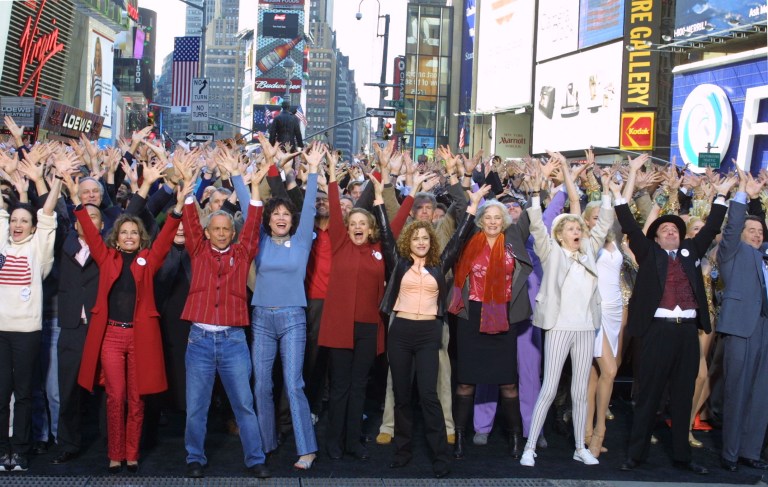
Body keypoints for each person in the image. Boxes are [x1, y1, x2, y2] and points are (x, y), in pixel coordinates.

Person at [617, 156, 736, 475]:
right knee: (648, 396)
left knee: (683, 396)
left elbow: (711, 227)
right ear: (655, 237)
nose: (670, 233)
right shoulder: (647, 252)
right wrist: (626, 182)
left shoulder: (690, 251)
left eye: (674, 230)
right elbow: (628, 223)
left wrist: (721, 197)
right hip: (657, 330)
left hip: (687, 333)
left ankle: (683, 457)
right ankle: (636, 455)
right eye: (665, 230)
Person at [71, 162, 183, 474]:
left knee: (137, 400)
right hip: (111, 336)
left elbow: (164, 241)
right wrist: (75, 197)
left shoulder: (148, 259)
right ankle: (114, 454)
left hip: (140, 337)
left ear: (140, 237)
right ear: (117, 238)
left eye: (135, 232)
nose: (130, 236)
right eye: (125, 232)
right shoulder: (106, 256)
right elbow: (91, 233)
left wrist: (177, 210)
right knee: (115, 398)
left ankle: (131, 455)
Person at [379, 175, 488, 478]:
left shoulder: (440, 264)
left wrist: (472, 207)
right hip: (400, 332)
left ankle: (441, 456)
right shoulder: (398, 262)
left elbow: (459, 237)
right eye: (416, 238)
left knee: (429, 395)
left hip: (429, 333)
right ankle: (402, 452)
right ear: (409, 241)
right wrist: (378, 201)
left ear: (431, 241)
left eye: (425, 238)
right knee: (402, 394)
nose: (421, 242)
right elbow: (386, 235)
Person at [174, 153, 271, 479]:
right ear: (208, 231)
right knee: (196, 408)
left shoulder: (243, 253)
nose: (220, 233)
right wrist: (188, 182)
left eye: (225, 228)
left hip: (232, 340)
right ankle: (194, 458)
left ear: (232, 231)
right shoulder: (198, 249)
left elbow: (255, 223)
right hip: (199, 339)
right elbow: (188, 216)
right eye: (214, 228)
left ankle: (255, 459)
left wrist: (253, 187)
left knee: (243, 405)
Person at [520, 160, 615, 467]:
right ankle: (530, 447)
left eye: (579, 227)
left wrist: (608, 193)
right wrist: (535, 193)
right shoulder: (551, 253)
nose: (577, 231)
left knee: (579, 392)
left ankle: (579, 447)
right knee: (549, 388)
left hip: (586, 327)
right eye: (571, 228)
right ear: (560, 234)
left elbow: (603, 225)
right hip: (559, 327)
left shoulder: (589, 250)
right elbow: (536, 226)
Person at [251, 140, 322, 470]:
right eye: (275, 213)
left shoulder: (303, 239)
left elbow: (308, 206)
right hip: (261, 317)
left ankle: (306, 449)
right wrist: (247, 176)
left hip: (293, 317)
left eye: (285, 214)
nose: (281, 217)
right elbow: (246, 201)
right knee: (262, 383)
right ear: (267, 219)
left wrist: (316, 170)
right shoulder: (259, 239)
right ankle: (267, 442)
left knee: (293, 384)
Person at [448, 187, 533, 460]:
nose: (493, 221)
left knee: (508, 383)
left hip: (502, 316)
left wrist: (538, 188)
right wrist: (464, 189)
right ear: (481, 220)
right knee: (465, 383)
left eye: (498, 217)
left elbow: (534, 215)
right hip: (471, 316)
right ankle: (459, 438)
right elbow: (462, 209)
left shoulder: (513, 239)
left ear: (505, 220)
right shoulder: (470, 238)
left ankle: (516, 439)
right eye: (488, 217)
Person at [317, 158, 386, 461]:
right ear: (346, 228)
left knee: (359, 387)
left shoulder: (380, 250)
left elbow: (392, 223)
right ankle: (334, 442)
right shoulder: (339, 244)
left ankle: (353, 442)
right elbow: (334, 207)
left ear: (371, 228)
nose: (358, 227)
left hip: (369, 328)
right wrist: (332, 178)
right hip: (340, 327)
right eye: (353, 223)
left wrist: (384, 176)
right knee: (341, 387)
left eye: (363, 223)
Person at [0, 162, 63, 472]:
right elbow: (1, 209)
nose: (17, 225)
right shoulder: (2, 244)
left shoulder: (38, 252)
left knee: (24, 394)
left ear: (32, 226)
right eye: (14, 220)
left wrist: (58, 180)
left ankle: (20, 451)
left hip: (27, 332)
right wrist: (4, 174)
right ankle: (2, 450)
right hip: (0, 331)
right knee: (1, 395)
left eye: (24, 220)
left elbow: (48, 214)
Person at [716, 168, 768, 472]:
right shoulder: (732, 252)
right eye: (753, 231)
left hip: (764, 329)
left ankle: (751, 450)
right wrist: (743, 197)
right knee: (736, 390)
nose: (757, 235)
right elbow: (733, 226)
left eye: (760, 232)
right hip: (740, 327)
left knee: (761, 393)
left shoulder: (764, 257)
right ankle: (731, 453)